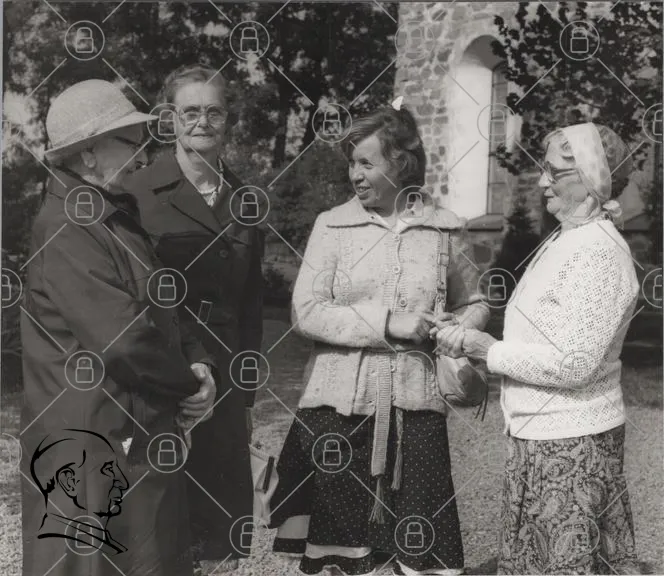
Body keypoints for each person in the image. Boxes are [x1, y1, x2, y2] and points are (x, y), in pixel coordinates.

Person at [268, 101, 490, 576]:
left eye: (366, 163)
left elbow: (476, 302)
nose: (355, 174)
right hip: (337, 407)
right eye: (352, 162)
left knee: (420, 548)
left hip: (417, 407)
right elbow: (306, 312)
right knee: (344, 551)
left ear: (401, 163)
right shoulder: (332, 225)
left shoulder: (445, 228)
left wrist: (454, 326)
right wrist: (388, 323)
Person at [21, 79, 216, 576]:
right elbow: (123, 340)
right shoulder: (69, 225)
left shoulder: (111, 214)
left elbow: (161, 307)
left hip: (128, 428)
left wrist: (199, 363)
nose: (141, 155)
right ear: (87, 154)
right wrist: (188, 386)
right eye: (129, 141)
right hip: (92, 439)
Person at [443, 123, 640, 574]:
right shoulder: (568, 237)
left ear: (591, 177)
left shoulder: (599, 252)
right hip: (543, 435)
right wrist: (468, 330)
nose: (541, 180)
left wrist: (488, 350)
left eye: (554, 172)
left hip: (573, 443)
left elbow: (575, 364)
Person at [129, 64, 263, 574]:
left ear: (229, 120)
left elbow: (250, 306)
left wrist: (246, 396)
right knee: (159, 518)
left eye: (214, 111)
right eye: (189, 112)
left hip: (225, 376)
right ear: (170, 119)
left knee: (219, 528)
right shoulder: (137, 193)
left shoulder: (246, 200)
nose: (202, 122)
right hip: (162, 371)